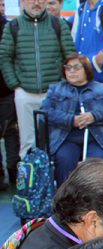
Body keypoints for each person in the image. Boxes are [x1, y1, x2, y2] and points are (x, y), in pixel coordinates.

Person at [0, 0, 77, 159]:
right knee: (28, 143)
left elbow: (70, 55)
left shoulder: (58, 24)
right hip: (25, 94)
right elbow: (5, 58)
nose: (36, 3)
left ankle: (56, 181)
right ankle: (31, 181)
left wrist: (62, 83)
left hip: (55, 93)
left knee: (57, 141)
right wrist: (15, 85)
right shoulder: (13, 26)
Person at [41, 53, 103, 185]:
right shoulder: (56, 90)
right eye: (68, 67)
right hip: (65, 139)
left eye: (76, 67)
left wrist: (95, 116)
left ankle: (94, 199)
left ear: (87, 69)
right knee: (64, 158)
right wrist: (70, 120)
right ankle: (65, 198)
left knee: (97, 162)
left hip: (97, 139)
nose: (71, 71)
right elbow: (44, 113)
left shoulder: (102, 90)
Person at [0, 0, 21, 191]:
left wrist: (13, 83)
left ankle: (13, 173)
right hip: (8, 89)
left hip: (6, 91)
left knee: (10, 132)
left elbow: (10, 58)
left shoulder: (9, 28)